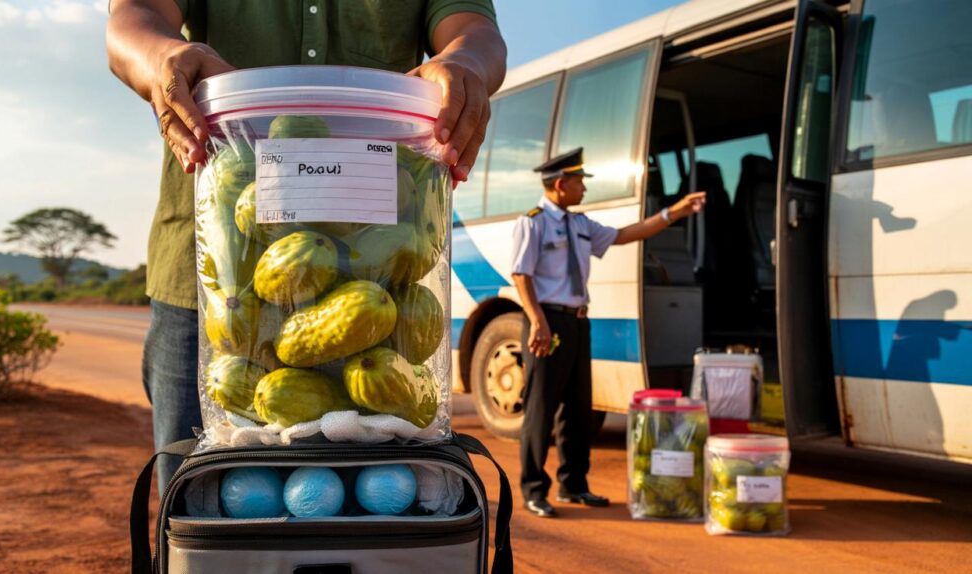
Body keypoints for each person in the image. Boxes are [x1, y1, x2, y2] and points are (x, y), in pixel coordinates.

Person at [106, 0, 506, 490]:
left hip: (382, 281)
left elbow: (474, 30)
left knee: (385, 522)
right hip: (216, 282)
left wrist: (467, 63)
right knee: (202, 507)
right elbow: (133, 20)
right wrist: (162, 55)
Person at [512, 148, 706, 518]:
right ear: (560, 183)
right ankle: (534, 490)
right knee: (540, 409)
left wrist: (674, 212)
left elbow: (626, 234)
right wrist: (537, 320)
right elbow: (521, 275)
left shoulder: (581, 224)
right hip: (547, 322)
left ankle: (574, 485)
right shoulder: (533, 223)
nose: (584, 189)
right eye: (580, 182)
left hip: (578, 322)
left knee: (578, 408)